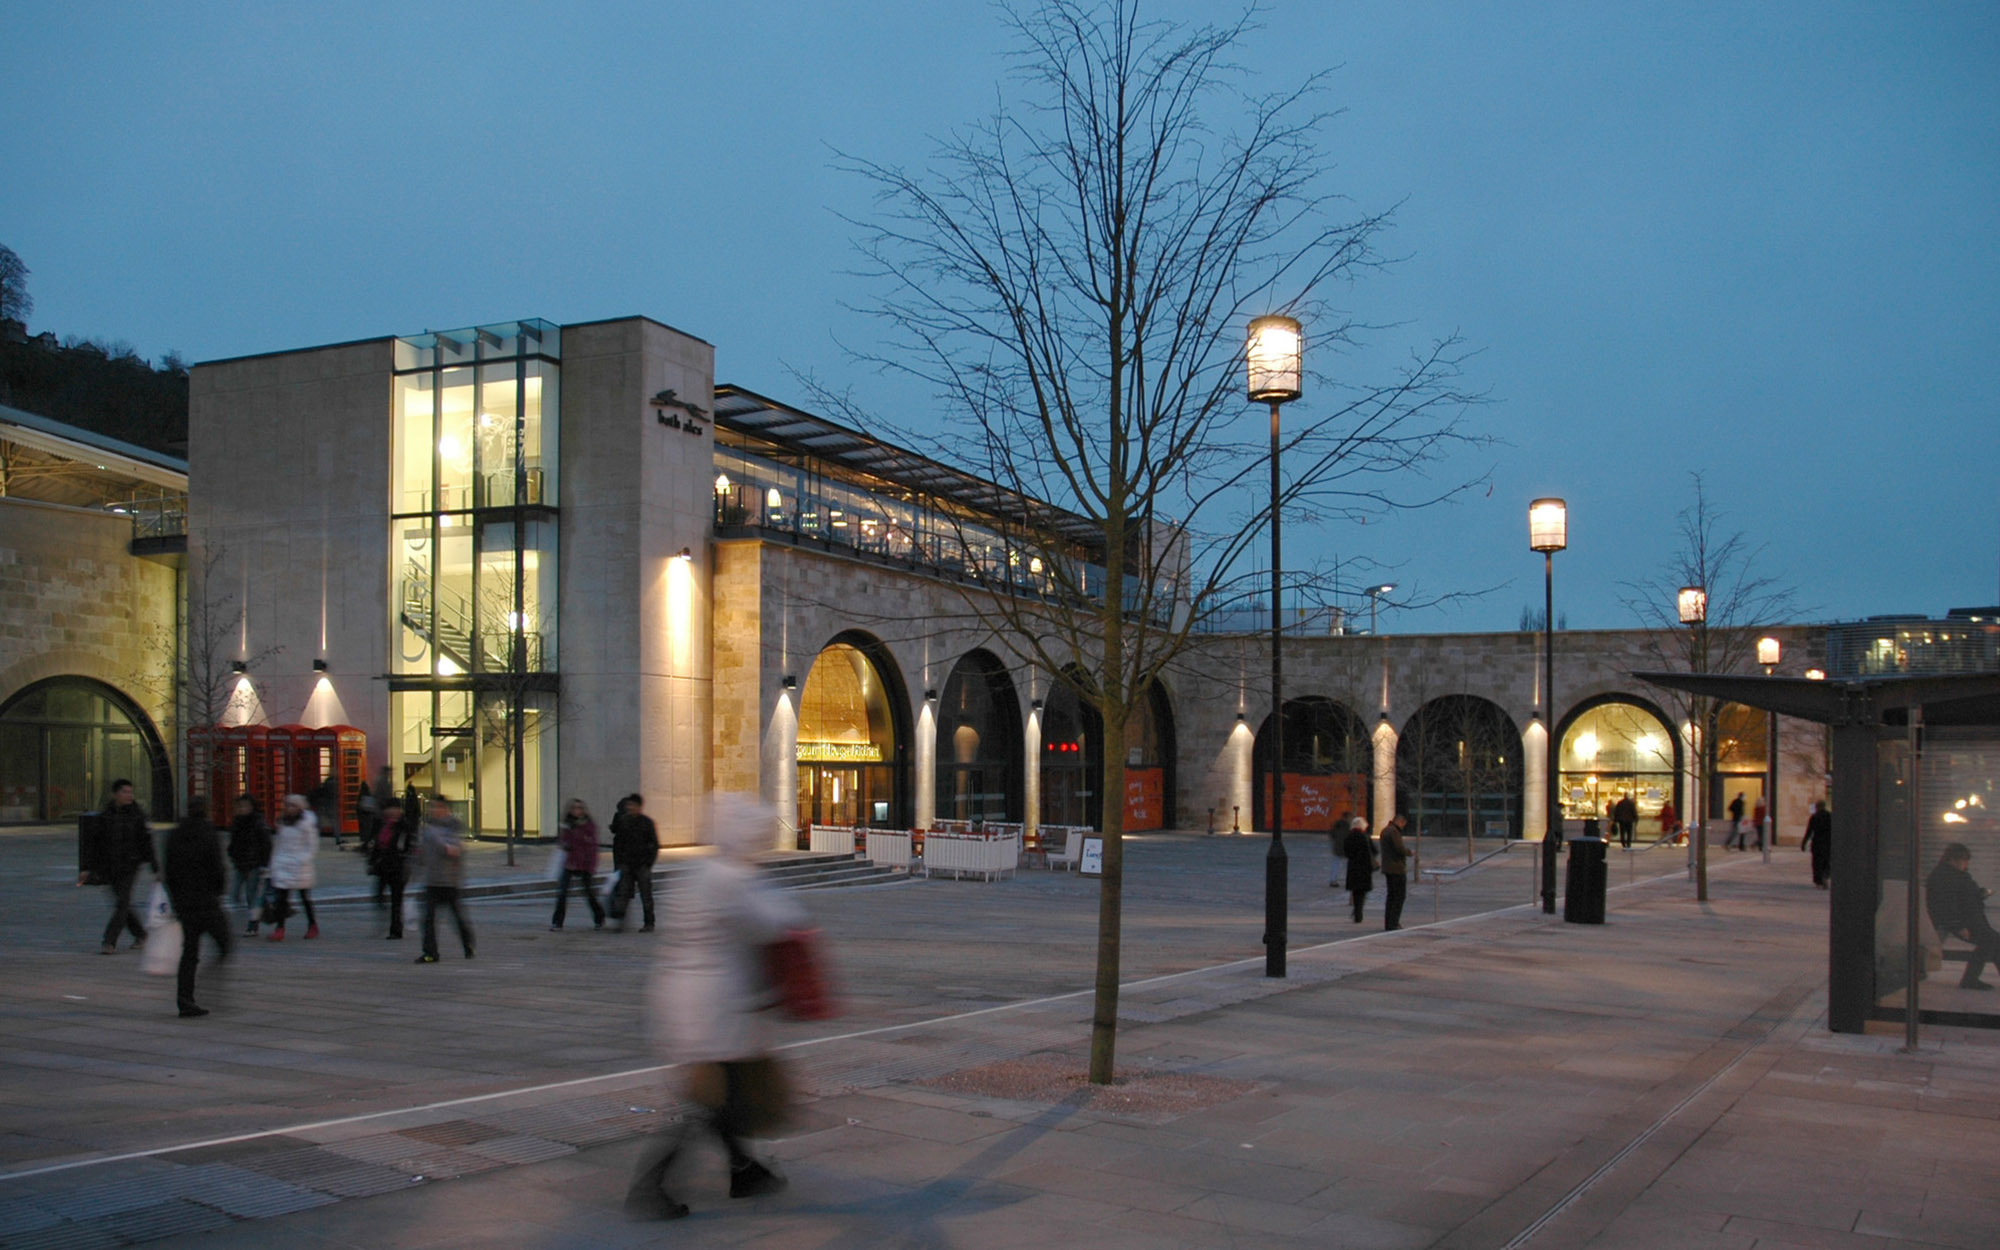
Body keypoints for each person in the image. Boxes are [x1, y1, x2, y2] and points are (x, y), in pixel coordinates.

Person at [626, 794, 804, 1220]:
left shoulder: (701, 873)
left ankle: (744, 1169)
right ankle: (652, 1187)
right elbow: (777, 923)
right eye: (758, 836)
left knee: (721, 1093)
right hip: (715, 1008)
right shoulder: (734, 880)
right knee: (709, 1100)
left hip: (686, 998)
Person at [163, 797, 232, 1018]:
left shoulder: (175, 834)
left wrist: (175, 900)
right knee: (224, 943)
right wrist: (219, 891)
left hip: (185, 903)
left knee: (189, 952)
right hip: (206, 901)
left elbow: (169, 871)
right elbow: (217, 866)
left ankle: (185, 999)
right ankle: (209, 981)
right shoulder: (208, 832)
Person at [83, 779, 157, 955]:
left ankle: (109, 941)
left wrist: (155, 867)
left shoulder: (137, 815)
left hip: (130, 865)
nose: (129, 796)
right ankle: (141, 935)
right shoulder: (106, 816)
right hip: (110, 866)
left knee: (122, 903)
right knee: (122, 904)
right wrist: (86, 868)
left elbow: (146, 843)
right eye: (125, 792)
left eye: (130, 792)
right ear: (116, 794)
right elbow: (94, 845)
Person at [1924, 843, 2000, 991]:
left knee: (1994, 941)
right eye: (1964, 860)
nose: (1966, 864)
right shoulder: (1944, 876)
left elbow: (1964, 895)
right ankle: (1970, 979)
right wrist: (1958, 926)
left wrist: (1980, 893)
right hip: (1964, 921)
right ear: (1953, 859)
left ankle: (1970, 979)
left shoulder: (1957, 874)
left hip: (1971, 919)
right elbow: (1945, 904)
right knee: (1990, 941)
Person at [416, 795, 474, 963]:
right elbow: (421, 853)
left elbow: (455, 850)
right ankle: (430, 953)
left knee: (457, 917)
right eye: (433, 807)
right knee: (428, 919)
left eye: (438, 807)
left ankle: (468, 944)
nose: (435, 810)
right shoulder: (428, 829)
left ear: (446, 809)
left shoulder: (452, 827)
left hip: (449, 882)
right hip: (432, 881)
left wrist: (444, 845)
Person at [267, 794, 320, 941]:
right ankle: (280, 928)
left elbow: (312, 846)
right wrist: (274, 862)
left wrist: (302, 860)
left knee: (304, 898)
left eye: (293, 805)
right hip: (283, 863)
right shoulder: (283, 822)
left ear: (300, 807)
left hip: (300, 866)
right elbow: (279, 844)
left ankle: (312, 925)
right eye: (288, 805)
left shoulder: (307, 823)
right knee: (281, 899)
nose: (289, 808)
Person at [552, 798, 607, 931]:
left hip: (584, 864)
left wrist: (591, 866)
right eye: (575, 808)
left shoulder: (588, 825)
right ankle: (557, 922)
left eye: (580, 808)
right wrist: (564, 845)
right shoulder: (567, 825)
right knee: (562, 892)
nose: (578, 810)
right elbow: (563, 842)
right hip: (569, 863)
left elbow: (592, 847)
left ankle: (599, 918)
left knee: (589, 893)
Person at [610, 793, 661, 932]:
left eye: (631, 805)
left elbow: (654, 844)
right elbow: (618, 843)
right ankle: (620, 921)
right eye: (628, 805)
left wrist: (649, 862)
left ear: (639, 806)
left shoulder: (647, 822)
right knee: (623, 893)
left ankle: (649, 922)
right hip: (626, 864)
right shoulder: (623, 821)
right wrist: (620, 862)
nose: (629, 807)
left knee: (646, 895)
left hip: (641, 864)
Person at [368, 797, 417, 939]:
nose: (392, 811)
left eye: (395, 808)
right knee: (378, 895)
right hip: (383, 866)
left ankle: (395, 930)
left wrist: (406, 859)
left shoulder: (404, 825)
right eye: (389, 808)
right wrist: (372, 862)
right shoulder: (381, 823)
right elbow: (376, 845)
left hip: (398, 867)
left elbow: (408, 846)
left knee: (397, 900)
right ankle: (386, 917)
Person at [225, 795, 273, 936]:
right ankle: (260, 909)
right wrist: (233, 856)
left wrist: (264, 865)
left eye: (244, 806)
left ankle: (253, 923)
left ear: (251, 807)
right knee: (234, 893)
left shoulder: (258, 823)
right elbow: (232, 844)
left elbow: (266, 845)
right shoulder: (236, 823)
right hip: (239, 864)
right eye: (239, 806)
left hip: (254, 864)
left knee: (251, 894)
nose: (241, 809)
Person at [1379, 810, 1413, 931]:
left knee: (1391, 896)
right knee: (1398, 896)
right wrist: (1409, 852)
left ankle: (1389, 922)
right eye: (1403, 824)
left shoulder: (1385, 830)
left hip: (1388, 867)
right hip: (1396, 868)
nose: (1403, 827)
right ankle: (1393, 923)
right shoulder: (1393, 832)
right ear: (1400, 822)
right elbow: (1399, 848)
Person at [1340, 816, 1375, 924]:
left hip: (1353, 867)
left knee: (1355, 891)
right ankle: (1358, 913)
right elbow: (1374, 850)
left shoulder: (1349, 837)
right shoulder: (1365, 837)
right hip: (1364, 867)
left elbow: (1345, 852)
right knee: (1362, 892)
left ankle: (1357, 911)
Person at [1801, 801, 1831, 888]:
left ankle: (1818, 881)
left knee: (1816, 862)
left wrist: (1804, 843)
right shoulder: (1830, 816)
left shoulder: (1814, 817)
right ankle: (1825, 875)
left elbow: (1809, 832)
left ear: (1817, 807)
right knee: (1827, 860)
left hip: (1817, 843)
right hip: (1828, 843)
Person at [1327, 809, 1351, 889]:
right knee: (1346, 864)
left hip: (1337, 846)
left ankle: (1333, 880)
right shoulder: (1347, 826)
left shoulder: (1337, 824)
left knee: (1336, 864)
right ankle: (1348, 880)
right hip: (1344, 847)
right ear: (1347, 817)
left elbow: (1332, 834)